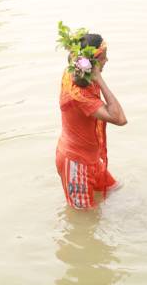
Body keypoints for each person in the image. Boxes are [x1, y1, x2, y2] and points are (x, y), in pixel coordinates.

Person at [56, 32, 127, 209]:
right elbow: (120, 118)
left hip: (92, 159)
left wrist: (95, 75)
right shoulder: (80, 96)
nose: (107, 60)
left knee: (117, 190)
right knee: (85, 222)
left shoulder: (77, 72)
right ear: (93, 64)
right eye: (104, 58)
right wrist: (100, 79)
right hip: (76, 163)